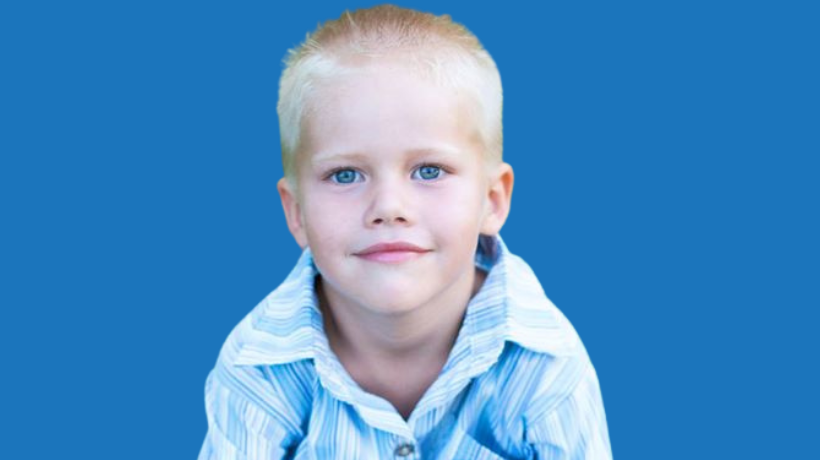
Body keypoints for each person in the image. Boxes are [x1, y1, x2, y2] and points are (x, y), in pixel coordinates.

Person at [198, 5, 612, 459]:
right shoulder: (257, 369)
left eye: (429, 170)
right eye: (345, 175)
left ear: (492, 200)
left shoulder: (547, 366)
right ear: (296, 213)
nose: (389, 207)